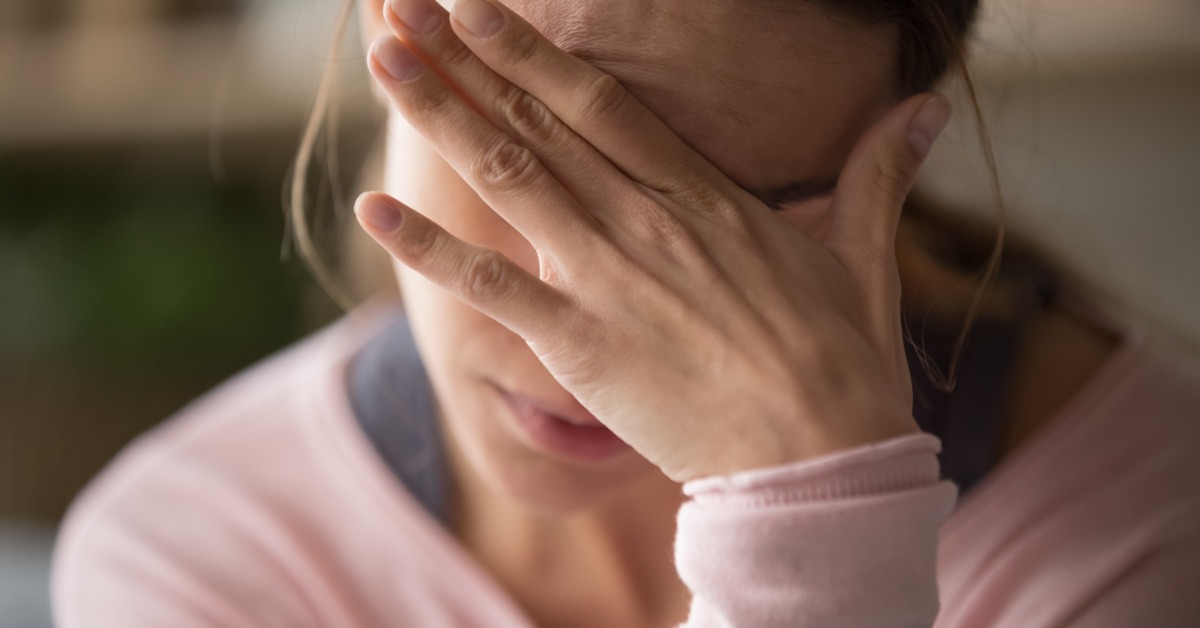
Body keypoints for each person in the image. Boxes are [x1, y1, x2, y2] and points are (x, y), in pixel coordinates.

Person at [52, 0, 1200, 625]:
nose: (580, 333)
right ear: (384, 27)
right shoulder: (197, 557)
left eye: (735, 222)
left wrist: (814, 530)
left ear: (900, 141)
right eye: (536, 156)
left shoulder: (1146, 527)